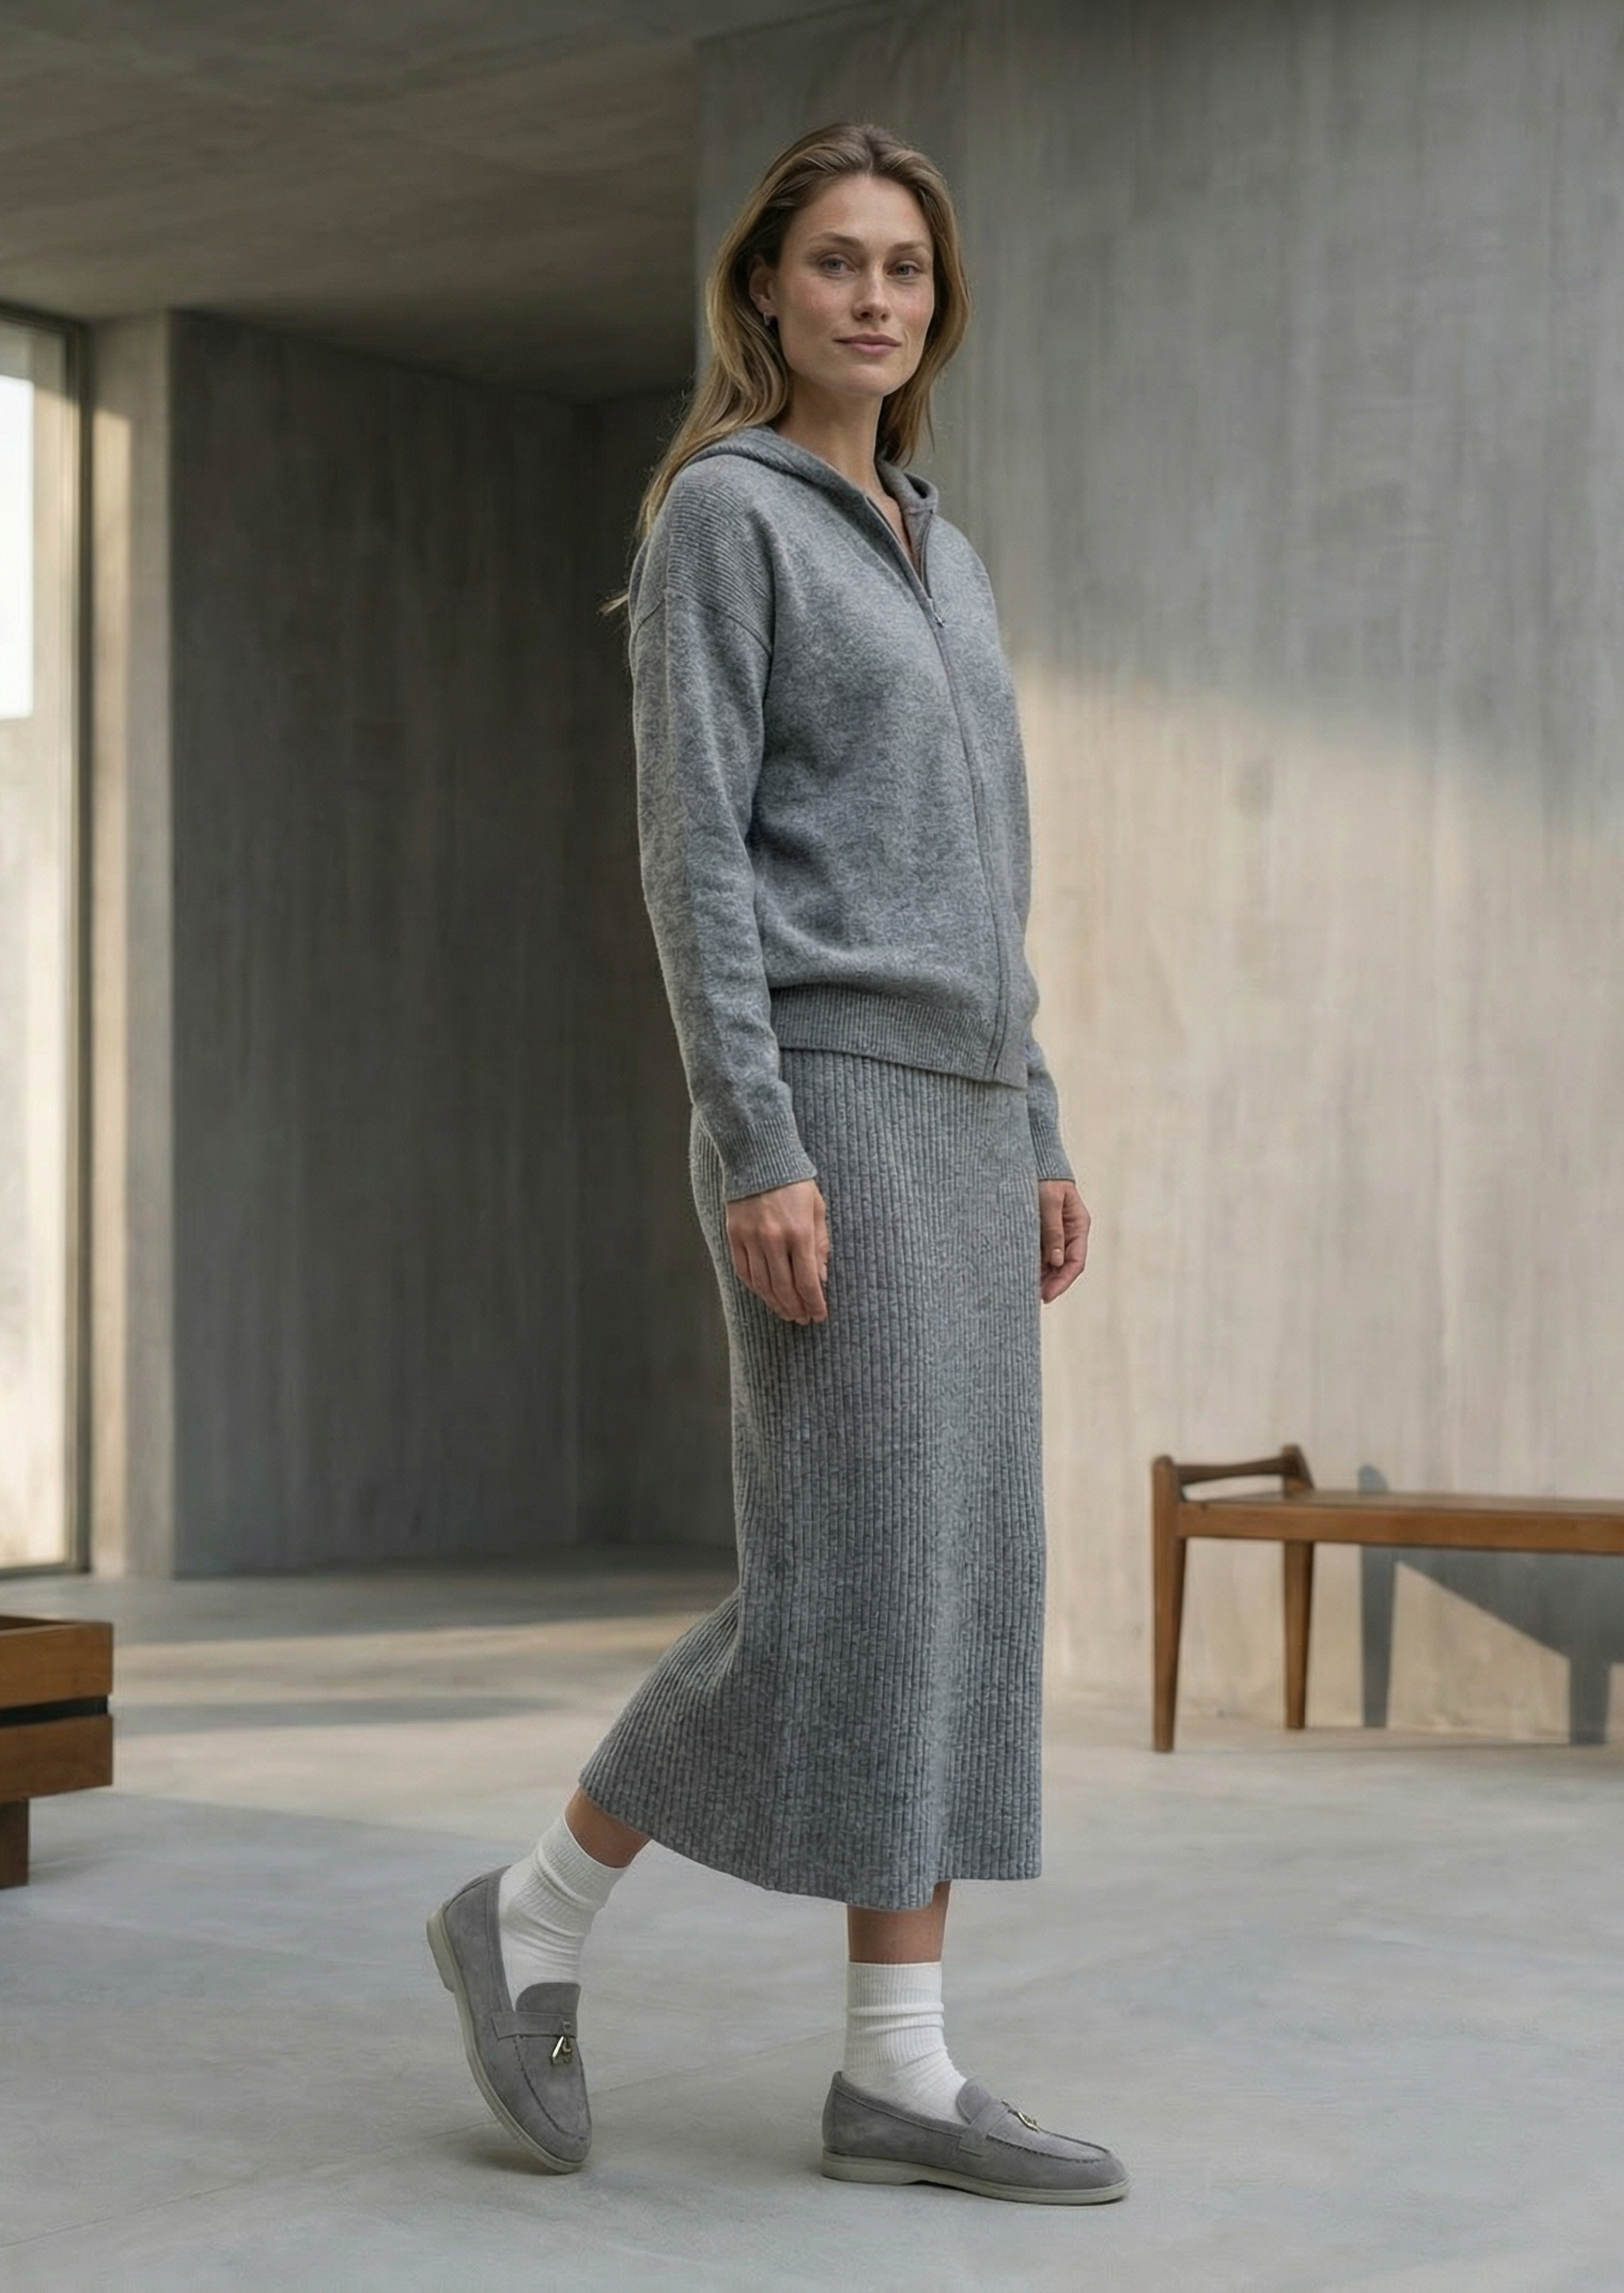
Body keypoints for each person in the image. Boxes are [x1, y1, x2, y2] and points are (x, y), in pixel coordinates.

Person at [427, 120, 1125, 2207]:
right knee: (843, 1582)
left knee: (950, 1582)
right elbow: (693, 861)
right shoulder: (725, 519)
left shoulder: (944, 550)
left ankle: (897, 2066)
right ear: (764, 291)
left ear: (935, 303)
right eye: (835, 262)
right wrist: (756, 1140)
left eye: (903, 267)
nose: (873, 298)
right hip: (826, 1099)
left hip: (968, 1109)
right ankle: (531, 1916)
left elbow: (990, 876)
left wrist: (1038, 1115)